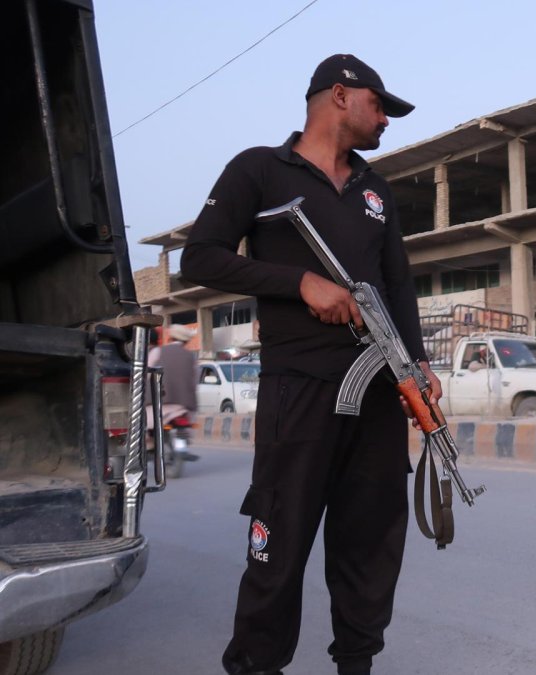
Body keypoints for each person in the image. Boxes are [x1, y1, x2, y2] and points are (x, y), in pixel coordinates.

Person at [180, 54, 437, 675]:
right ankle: (257, 666)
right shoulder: (260, 170)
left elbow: (397, 284)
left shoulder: (375, 189)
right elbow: (200, 259)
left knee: (371, 542)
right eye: (380, 105)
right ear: (341, 96)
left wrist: (418, 363)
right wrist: (299, 283)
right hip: (297, 390)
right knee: (280, 543)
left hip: (376, 391)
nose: (386, 120)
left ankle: (356, 664)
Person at [148, 324, 200, 459]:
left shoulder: (158, 352)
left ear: (170, 338)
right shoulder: (191, 357)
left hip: (160, 401)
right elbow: (195, 380)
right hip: (184, 403)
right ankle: (184, 443)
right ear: (186, 341)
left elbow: (146, 373)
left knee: (147, 421)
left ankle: (150, 444)